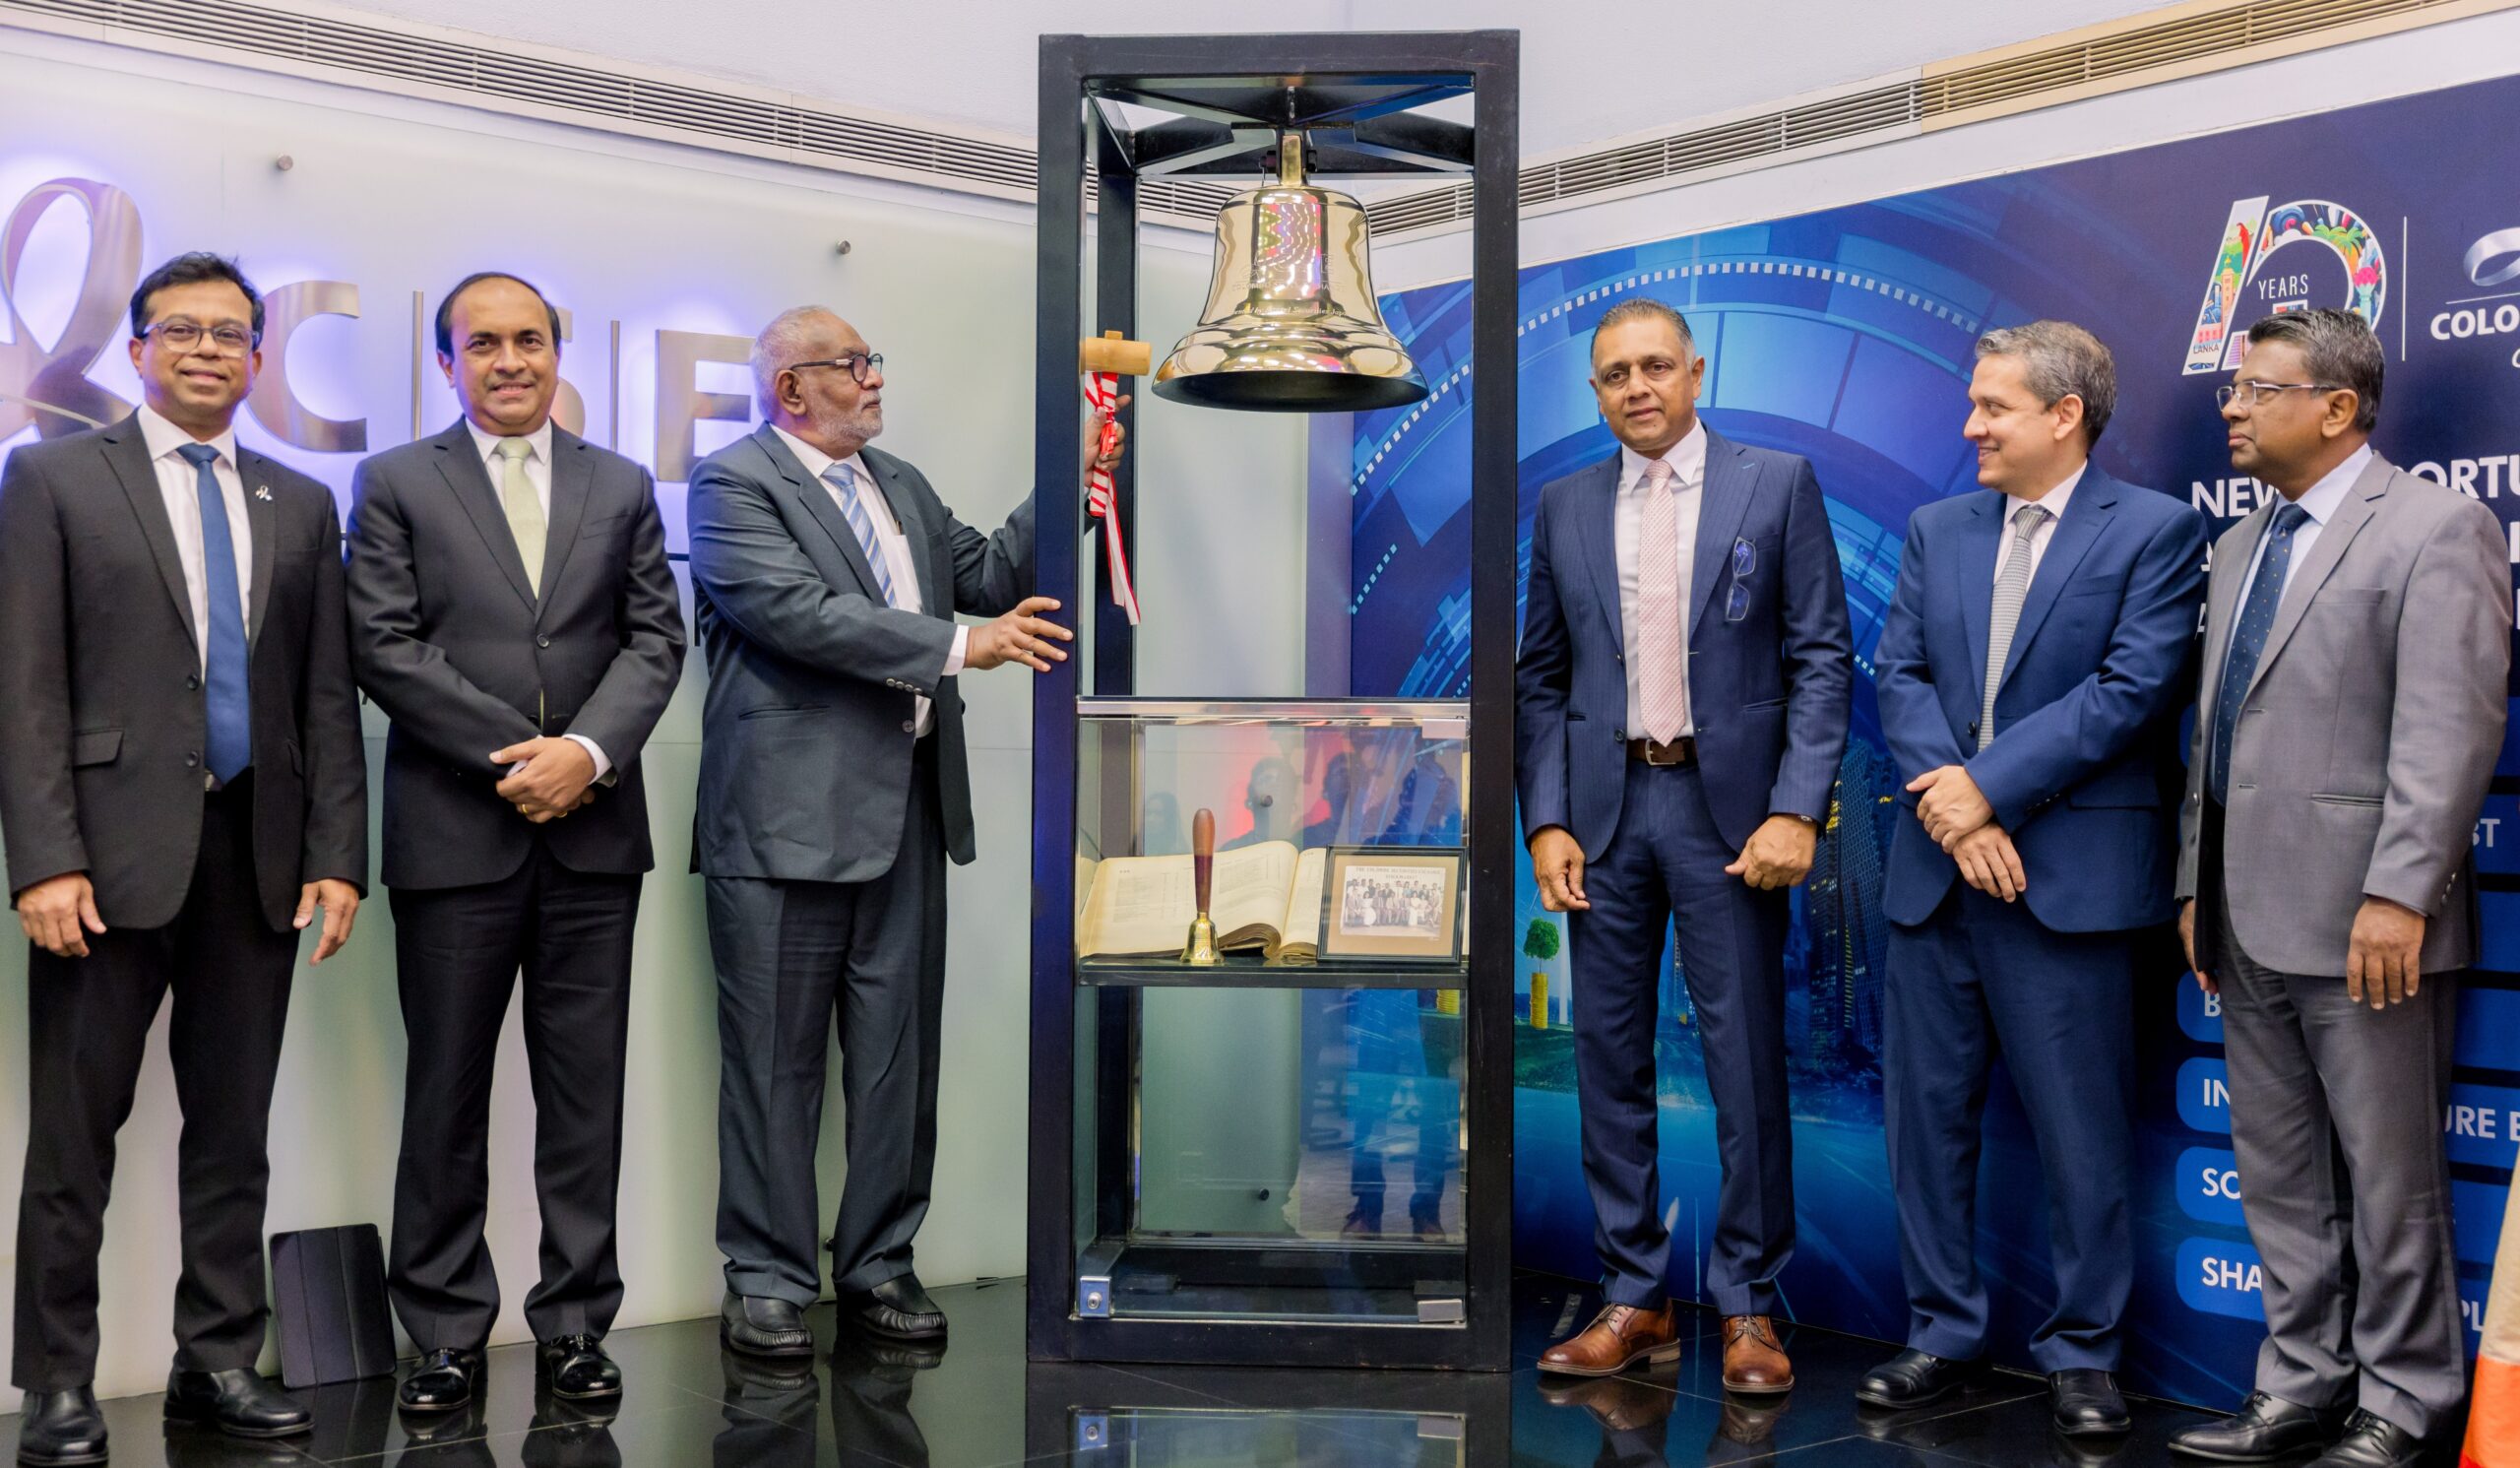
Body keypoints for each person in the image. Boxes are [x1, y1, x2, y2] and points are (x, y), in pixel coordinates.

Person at [688, 306, 1120, 1353]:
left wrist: (1077, 465)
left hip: (907, 818)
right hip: (782, 828)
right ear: (792, 388)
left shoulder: (903, 486)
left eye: (875, 359)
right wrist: (966, 648)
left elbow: (992, 578)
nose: (875, 379)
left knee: (893, 1065)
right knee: (772, 1065)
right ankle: (768, 1280)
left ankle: (880, 1265)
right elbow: (797, 614)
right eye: (852, 365)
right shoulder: (734, 483)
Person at [0, 252, 365, 1463]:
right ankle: (55, 1383)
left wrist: (337, 858)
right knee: (73, 1138)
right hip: (102, 865)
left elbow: (324, 700)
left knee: (231, 1131)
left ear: (258, 358)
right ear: (138, 349)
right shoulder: (52, 477)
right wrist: (42, 860)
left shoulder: (300, 504)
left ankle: (215, 1361)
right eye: (181, 330)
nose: (206, 349)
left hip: (253, 856)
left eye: (229, 333)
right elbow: (26, 687)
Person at [2170, 308, 2505, 1468]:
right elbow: (2211, 737)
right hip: (2240, 915)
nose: (2231, 406)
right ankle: (2299, 1388)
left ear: (2335, 406)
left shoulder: (2435, 526)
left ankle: (2403, 1401)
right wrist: (2189, 882)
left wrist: (2401, 892)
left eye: (2256, 388)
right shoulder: (2239, 544)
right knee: (2278, 1177)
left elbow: (2448, 728)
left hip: (2368, 923)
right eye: (2231, 388)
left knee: (2390, 1176)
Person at [346, 271, 686, 1413]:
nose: (509, 361)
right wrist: (524, 759)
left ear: (557, 351)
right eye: (481, 343)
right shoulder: (393, 481)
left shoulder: (624, 484)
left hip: (595, 841)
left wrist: (584, 756)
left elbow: (655, 640)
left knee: (584, 1097)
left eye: (528, 340)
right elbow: (386, 649)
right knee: (444, 1095)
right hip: (455, 840)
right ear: (446, 363)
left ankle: (577, 1326)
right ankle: (441, 1332)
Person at [1865, 321, 2207, 1436]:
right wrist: (1955, 811)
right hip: (1938, 879)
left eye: (1992, 407)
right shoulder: (1934, 527)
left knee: (2082, 1133)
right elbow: (1899, 672)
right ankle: (1938, 1334)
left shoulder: (2153, 532)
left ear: (2064, 415)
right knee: (1925, 1124)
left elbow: (2131, 690)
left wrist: (1988, 792)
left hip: (2070, 887)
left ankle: (2083, 1355)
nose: (1969, 425)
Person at [1516, 296, 1852, 1388]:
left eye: (1655, 366)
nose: (1636, 388)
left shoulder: (1776, 484)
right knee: (1607, 1063)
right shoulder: (1562, 505)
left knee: (1744, 1063)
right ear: (1597, 391)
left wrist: (1796, 808)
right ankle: (1632, 1296)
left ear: (1695, 372)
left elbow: (1819, 658)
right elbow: (1541, 677)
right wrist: (1549, 817)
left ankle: (1751, 1305)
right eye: (1615, 374)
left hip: (1730, 822)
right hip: (1607, 818)